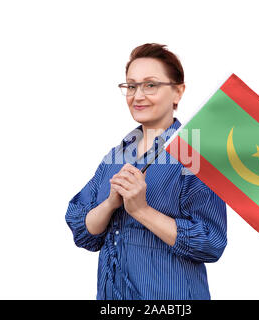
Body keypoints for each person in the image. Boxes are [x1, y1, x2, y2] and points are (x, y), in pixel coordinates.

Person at [65, 43, 227, 300]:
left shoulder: (196, 157)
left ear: (178, 92)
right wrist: (109, 204)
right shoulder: (115, 157)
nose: (137, 96)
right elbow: (83, 231)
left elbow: (211, 243)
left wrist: (141, 210)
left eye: (150, 85)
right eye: (131, 86)